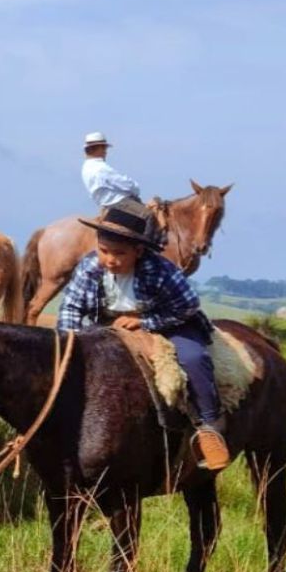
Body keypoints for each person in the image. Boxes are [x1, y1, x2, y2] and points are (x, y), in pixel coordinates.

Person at [57, 202, 229, 471]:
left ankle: (209, 425)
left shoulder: (160, 270)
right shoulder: (90, 267)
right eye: (104, 251)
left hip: (168, 323)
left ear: (138, 251)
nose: (110, 260)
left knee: (193, 358)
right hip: (109, 324)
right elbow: (71, 306)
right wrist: (68, 341)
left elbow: (188, 306)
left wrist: (145, 321)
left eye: (119, 254)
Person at [81, 132, 140, 210]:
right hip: (118, 202)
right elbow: (124, 184)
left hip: (104, 204)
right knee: (150, 215)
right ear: (97, 148)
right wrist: (135, 188)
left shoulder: (86, 167)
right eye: (104, 148)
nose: (106, 152)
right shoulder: (101, 168)